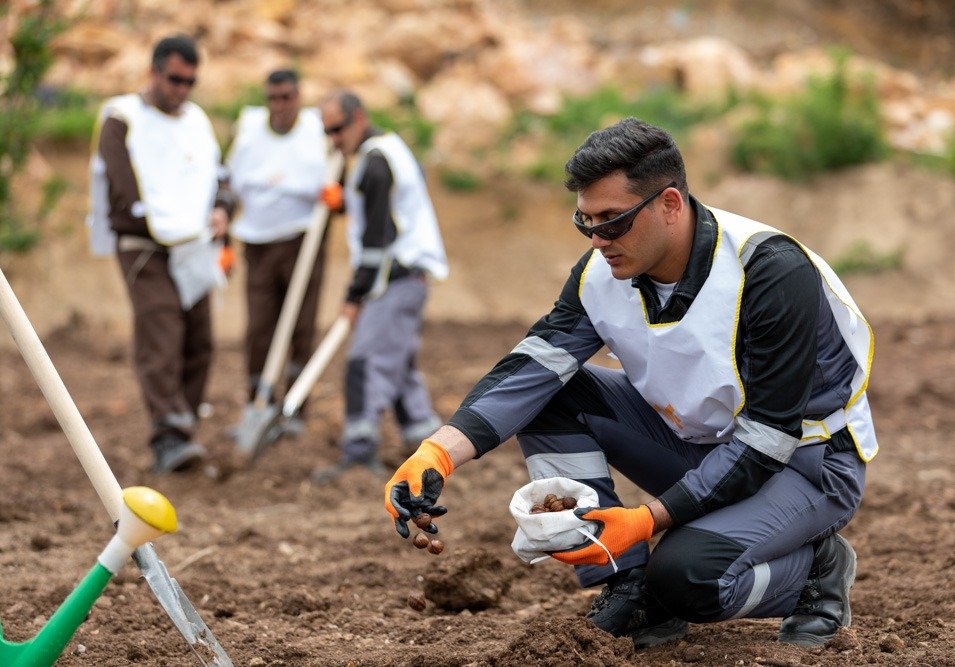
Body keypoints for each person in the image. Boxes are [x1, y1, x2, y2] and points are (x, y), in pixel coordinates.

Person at [384, 118, 877, 648]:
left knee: (687, 577)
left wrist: (644, 521)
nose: (598, 239)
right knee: (555, 395)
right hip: (700, 443)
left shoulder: (770, 272)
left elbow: (767, 441)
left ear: (669, 204)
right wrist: (439, 452)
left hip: (807, 460)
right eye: (585, 222)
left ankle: (814, 573)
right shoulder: (601, 270)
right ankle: (628, 588)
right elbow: (532, 368)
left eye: (613, 221)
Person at [88, 35, 234, 473]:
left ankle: (183, 426)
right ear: (154, 72)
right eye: (175, 79)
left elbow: (219, 175)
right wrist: (168, 218)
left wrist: (223, 209)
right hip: (143, 245)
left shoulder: (196, 121)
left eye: (191, 81)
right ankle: (167, 434)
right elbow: (124, 184)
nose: (182, 89)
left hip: (193, 246)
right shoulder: (121, 118)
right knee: (161, 329)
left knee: (199, 336)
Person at [312, 89, 448, 481]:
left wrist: (354, 296)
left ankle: (358, 453)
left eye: (337, 129)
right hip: (410, 274)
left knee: (365, 362)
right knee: (398, 362)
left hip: (396, 276)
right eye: (327, 133)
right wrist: (342, 204)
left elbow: (377, 242)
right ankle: (424, 440)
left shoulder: (374, 164)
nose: (333, 140)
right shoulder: (389, 150)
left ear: (358, 118)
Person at [225, 69, 330, 429]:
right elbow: (228, 182)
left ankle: (295, 407)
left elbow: (339, 172)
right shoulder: (251, 129)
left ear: (298, 97)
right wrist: (223, 238)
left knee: (302, 326)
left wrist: (338, 197)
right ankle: (259, 400)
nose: (280, 105)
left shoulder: (316, 131)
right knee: (259, 326)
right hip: (257, 244)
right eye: (274, 98)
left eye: (287, 97)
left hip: (303, 243)